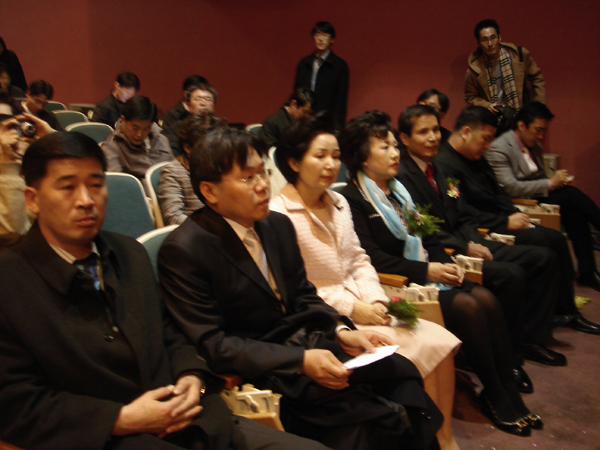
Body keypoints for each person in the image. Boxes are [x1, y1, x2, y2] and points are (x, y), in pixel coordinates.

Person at [0, 130, 330, 450]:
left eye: (96, 185)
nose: (86, 200)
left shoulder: (128, 252)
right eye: (67, 187)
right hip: (105, 435)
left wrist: (191, 374)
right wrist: (121, 419)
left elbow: (169, 331)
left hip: (190, 417)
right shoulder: (10, 281)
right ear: (33, 199)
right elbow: (13, 402)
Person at [158, 127, 444, 450]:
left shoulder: (276, 224)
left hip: (306, 342)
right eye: (247, 178)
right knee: (376, 417)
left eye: (263, 173)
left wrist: (341, 331)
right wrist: (300, 360)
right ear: (209, 191)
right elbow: (214, 344)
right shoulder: (185, 249)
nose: (263, 185)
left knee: (401, 372)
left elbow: (303, 294)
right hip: (262, 367)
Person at [339, 110, 540, 437]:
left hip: (424, 276)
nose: (395, 153)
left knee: (487, 298)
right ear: (362, 156)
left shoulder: (399, 191)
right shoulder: (352, 198)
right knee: (469, 305)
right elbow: (373, 258)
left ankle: (506, 390)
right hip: (393, 286)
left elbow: (427, 236)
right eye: (385, 147)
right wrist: (428, 269)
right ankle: (495, 394)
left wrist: (443, 264)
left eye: (394, 146)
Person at [270, 113, 462, 450]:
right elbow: (295, 289)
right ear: (294, 162)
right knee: (412, 352)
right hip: (327, 318)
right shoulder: (279, 214)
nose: (331, 164)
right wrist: (353, 308)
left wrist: (375, 300)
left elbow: (359, 259)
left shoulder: (339, 202)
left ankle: (444, 439)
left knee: (439, 341)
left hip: (367, 304)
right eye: (320, 155)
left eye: (335, 156)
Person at [396, 105, 565, 379]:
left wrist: (474, 241)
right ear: (405, 138)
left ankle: (528, 341)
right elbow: (424, 230)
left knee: (542, 257)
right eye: (423, 132)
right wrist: (465, 247)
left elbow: (460, 213)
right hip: (442, 251)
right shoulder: (402, 176)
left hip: (467, 240)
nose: (433, 137)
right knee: (511, 275)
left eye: (436, 130)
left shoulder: (440, 169)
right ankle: (507, 356)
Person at [435, 106, 600, 335]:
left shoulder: (475, 156)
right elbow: (463, 211)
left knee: (555, 237)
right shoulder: (445, 164)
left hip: (498, 219)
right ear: (466, 132)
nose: (487, 145)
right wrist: (504, 222)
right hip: (482, 228)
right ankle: (549, 318)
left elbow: (499, 191)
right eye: (485, 139)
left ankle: (565, 310)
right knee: (545, 245)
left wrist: (512, 213)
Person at [487, 101, 600, 291]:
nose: (541, 136)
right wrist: (550, 183)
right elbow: (509, 187)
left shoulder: (534, 146)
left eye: (543, 131)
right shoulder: (500, 147)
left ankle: (588, 273)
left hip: (536, 197)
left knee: (575, 212)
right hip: (516, 203)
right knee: (571, 196)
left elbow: (538, 177)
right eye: (538, 130)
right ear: (521, 125)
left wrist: (555, 182)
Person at [158, 111, 227, 225]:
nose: (216, 152)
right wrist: (211, 226)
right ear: (187, 148)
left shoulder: (223, 167)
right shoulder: (173, 171)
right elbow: (173, 217)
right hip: (199, 232)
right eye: (209, 147)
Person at [0, 112, 54, 253]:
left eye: (20, 137)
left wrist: (52, 140)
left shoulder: (34, 176)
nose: (17, 146)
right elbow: (13, 232)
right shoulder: (10, 174)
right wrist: (8, 163)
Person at [465, 19, 545, 114]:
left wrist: (540, 107)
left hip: (520, 114)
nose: (490, 44)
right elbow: (470, 97)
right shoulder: (475, 69)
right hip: (493, 117)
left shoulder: (518, 55)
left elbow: (537, 78)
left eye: (493, 38)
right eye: (484, 40)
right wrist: (486, 105)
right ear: (479, 43)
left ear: (499, 38)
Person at [101, 95, 173, 180]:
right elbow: (117, 182)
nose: (139, 134)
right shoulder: (111, 146)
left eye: (146, 129)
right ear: (123, 120)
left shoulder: (161, 139)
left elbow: (173, 171)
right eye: (135, 128)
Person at [294, 22, 349, 127]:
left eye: (325, 35)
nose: (320, 39)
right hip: (304, 118)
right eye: (317, 34)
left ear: (332, 39)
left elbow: (341, 100)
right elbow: (297, 91)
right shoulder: (305, 63)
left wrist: (338, 126)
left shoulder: (339, 66)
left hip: (326, 119)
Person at [162, 77, 215, 156]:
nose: (203, 103)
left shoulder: (220, 128)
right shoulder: (177, 128)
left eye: (208, 99)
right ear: (188, 105)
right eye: (198, 99)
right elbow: (172, 152)